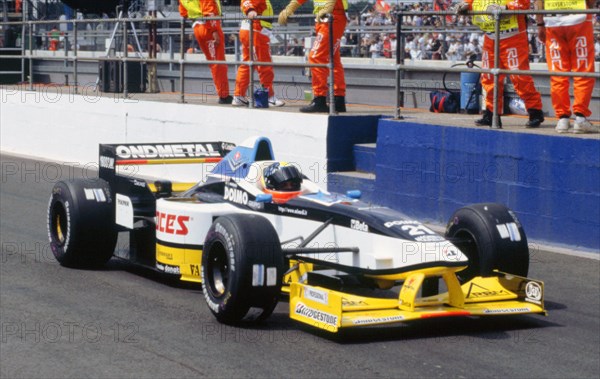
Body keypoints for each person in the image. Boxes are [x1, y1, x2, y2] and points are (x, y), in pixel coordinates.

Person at [456, 0, 545, 128]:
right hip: (491, 37)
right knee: (488, 77)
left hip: (513, 38)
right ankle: (492, 113)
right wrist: (465, 5)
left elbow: (524, 3)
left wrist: (506, 7)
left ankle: (535, 112)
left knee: (520, 77)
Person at [535, 0, 597, 133]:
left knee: (558, 72)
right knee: (583, 68)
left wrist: (540, 24)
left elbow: (538, 1)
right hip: (579, 18)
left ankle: (562, 119)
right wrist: (589, 8)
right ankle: (580, 118)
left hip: (552, 20)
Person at [278, 0, 347, 113]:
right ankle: (338, 100)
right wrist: (289, 8)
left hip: (332, 17)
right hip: (326, 19)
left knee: (316, 57)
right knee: (333, 58)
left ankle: (319, 99)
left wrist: (329, 6)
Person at [233, 0, 284, 107]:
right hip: (257, 31)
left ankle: (238, 96)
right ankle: (269, 97)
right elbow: (246, 2)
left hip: (251, 30)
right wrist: (250, 10)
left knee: (247, 65)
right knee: (265, 66)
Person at [179, 0, 232, 104]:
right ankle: (224, 95)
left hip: (197, 27)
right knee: (218, 63)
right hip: (208, 26)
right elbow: (209, 11)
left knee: (214, 62)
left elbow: (183, 13)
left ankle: (222, 93)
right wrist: (215, 31)